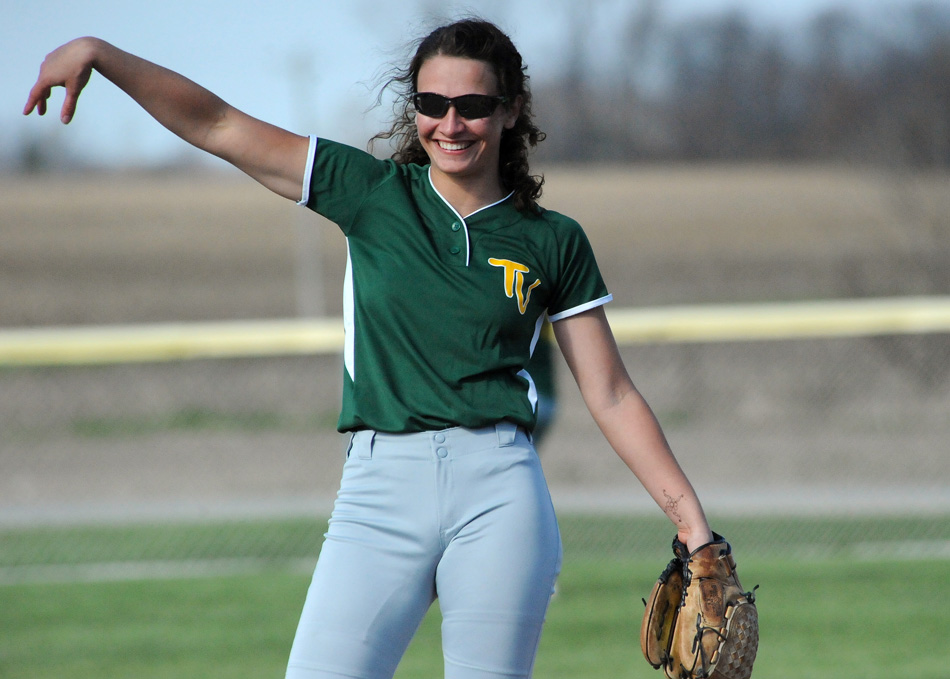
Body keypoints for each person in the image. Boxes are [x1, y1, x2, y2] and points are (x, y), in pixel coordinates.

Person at [25, 18, 713, 679]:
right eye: (432, 103)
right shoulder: (373, 195)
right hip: (379, 490)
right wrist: (102, 54)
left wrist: (695, 531)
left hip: (500, 492)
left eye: (472, 104)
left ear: (510, 111)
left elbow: (611, 392)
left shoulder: (551, 239)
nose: (450, 122)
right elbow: (219, 124)